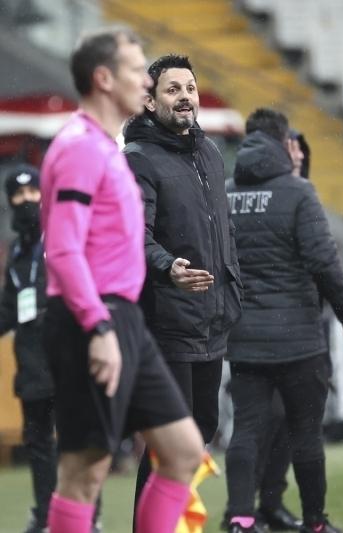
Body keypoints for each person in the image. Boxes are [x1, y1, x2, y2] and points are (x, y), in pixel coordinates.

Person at [39, 27, 204, 533]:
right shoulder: (79, 149)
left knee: (183, 451)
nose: (145, 82)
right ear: (104, 79)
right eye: (136, 71)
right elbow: (61, 249)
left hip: (126, 318)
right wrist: (99, 326)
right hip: (92, 319)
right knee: (85, 473)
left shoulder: (107, 147)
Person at [224, 107, 343, 533]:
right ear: (283, 142)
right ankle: (315, 523)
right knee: (305, 432)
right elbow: (323, 261)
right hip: (298, 337)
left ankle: (241, 518)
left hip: (244, 335)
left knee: (246, 429)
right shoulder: (298, 192)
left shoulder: (225, 193)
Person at [122, 54, 242, 514]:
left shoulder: (209, 152)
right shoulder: (138, 159)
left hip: (211, 316)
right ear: (150, 102)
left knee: (201, 430)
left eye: (190, 88)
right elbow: (134, 235)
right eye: (173, 89)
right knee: (173, 440)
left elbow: (223, 228)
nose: (185, 97)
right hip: (167, 319)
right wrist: (168, 267)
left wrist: (233, 284)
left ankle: (168, 518)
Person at [0, 165, 56, 533]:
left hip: (67, 356)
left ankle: (86, 515)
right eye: (18, 195)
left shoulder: (61, 240)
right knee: (38, 444)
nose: (26, 200)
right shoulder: (17, 252)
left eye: (33, 192)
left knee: (81, 443)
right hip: (32, 365)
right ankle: (46, 515)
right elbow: (7, 311)